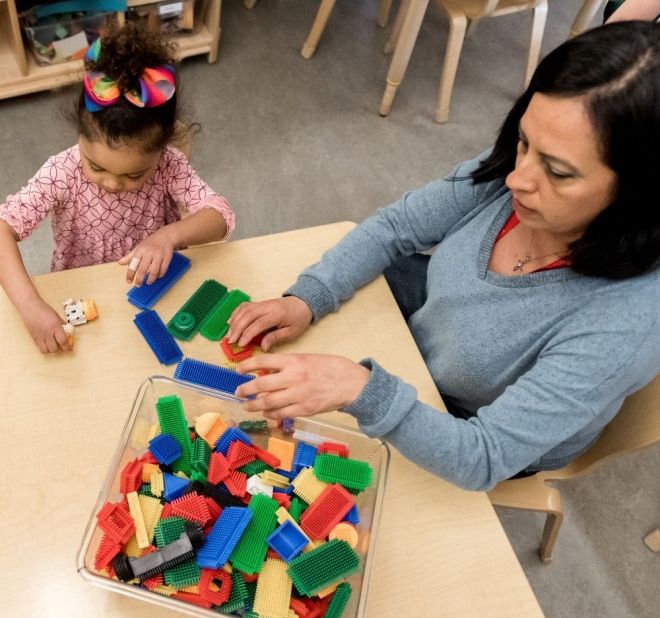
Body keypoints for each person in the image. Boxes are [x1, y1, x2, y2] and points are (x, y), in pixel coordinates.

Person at [226, 22, 660, 492]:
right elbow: (398, 227)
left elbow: (484, 456)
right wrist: (307, 298)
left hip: (471, 425)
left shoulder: (626, 322)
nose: (518, 178)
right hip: (433, 330)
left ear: (637, 195)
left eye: (556, 172)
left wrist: (360, 390)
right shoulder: (520, 167)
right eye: (523, 140)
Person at [0, 24, 235, 354]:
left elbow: (221, 217)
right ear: (79, 135)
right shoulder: (62, 171)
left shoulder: (168, 164)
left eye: (134, 175)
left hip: (156, 285)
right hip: (85, 289)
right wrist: (29, 308)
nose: (111, 184)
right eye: (95, 166)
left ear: (162, 149)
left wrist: (169, 236)